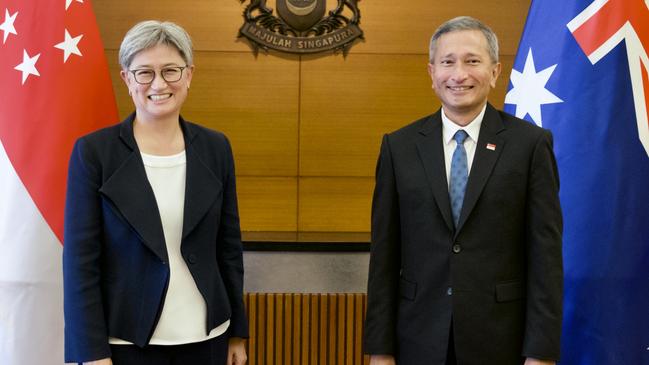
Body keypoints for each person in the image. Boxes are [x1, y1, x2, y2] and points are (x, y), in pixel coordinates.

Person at [363, 16, 563, 365]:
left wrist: (541, 353)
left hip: (502, 340)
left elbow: (545, 258)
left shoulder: (529, 145)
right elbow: (384, 256)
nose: (459, 74)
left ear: (495, 71)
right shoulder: (399, 147)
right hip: (418, 339)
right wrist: (380, 351)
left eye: (472, 61)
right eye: (447, 62)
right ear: (431, 73)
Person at [63, 20, 248, 365]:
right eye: (144, 72)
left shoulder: (215, 147)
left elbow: (229, 247)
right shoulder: (94, 153)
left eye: (171, 71)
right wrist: (90, 353)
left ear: (189, 75)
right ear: (126, 79)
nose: (159, 84)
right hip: (125, 342)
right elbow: (80, 263)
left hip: (207, 338)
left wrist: (237, 330)